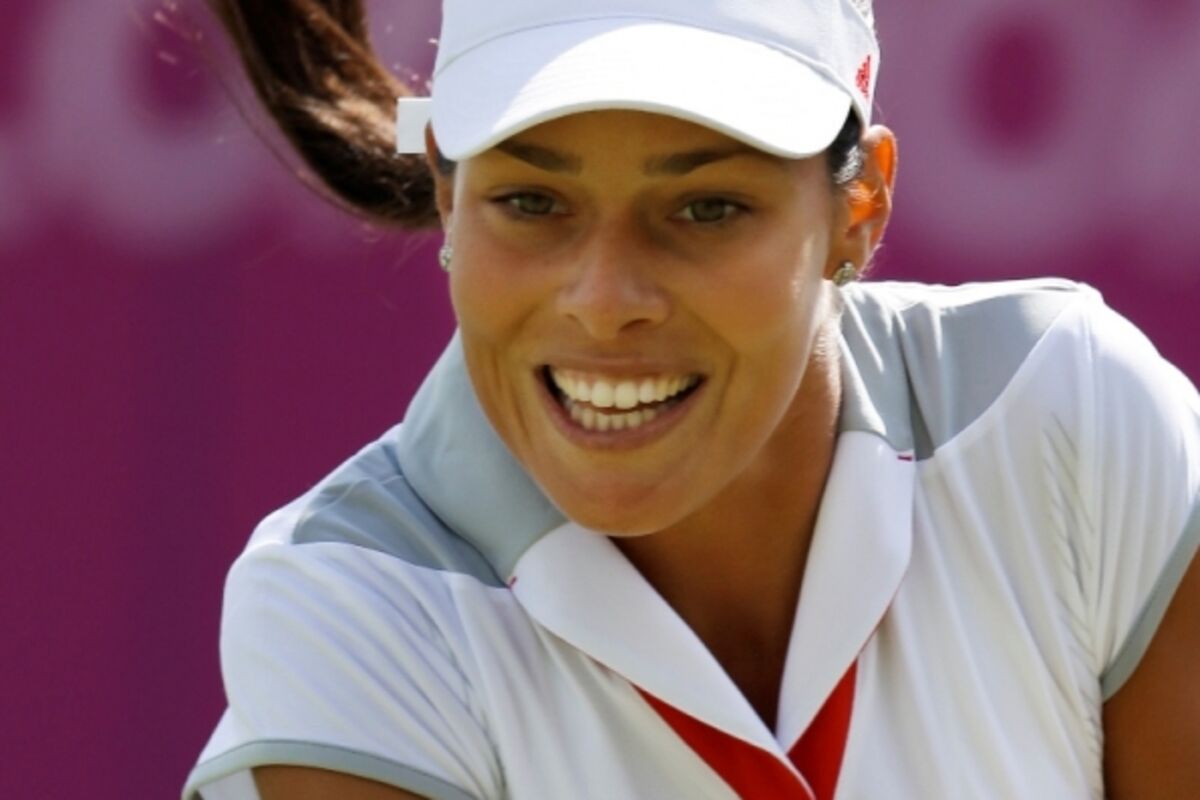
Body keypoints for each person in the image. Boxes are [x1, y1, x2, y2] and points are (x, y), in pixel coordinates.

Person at [184, 1, 1200, 798]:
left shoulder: (1070, 413)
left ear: (861, 205)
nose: (603, 300)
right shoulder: (350, 609)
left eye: (707, 207)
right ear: (452, 197)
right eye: (531, 202)